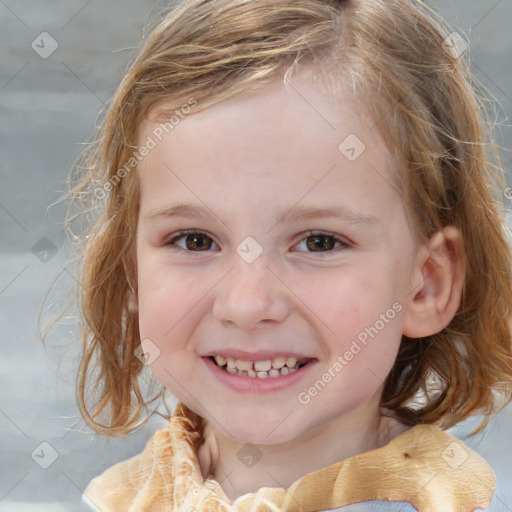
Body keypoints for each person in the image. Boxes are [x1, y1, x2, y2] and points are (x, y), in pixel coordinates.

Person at [59, 0, 512, 510]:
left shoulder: (452, 501)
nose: (246, 305)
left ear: (425, 283)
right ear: (132, 270)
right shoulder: (115, 500)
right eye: (195, 240)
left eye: (319, 242)